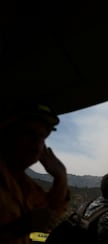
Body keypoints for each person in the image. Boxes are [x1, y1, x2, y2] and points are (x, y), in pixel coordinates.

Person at [0, 99, 70, 244]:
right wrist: (19, 227)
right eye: (29, 133)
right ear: (6, 132)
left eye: (42, 138)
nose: (37, 144)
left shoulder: (26, 184)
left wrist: (61, 178)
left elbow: (49, 217)